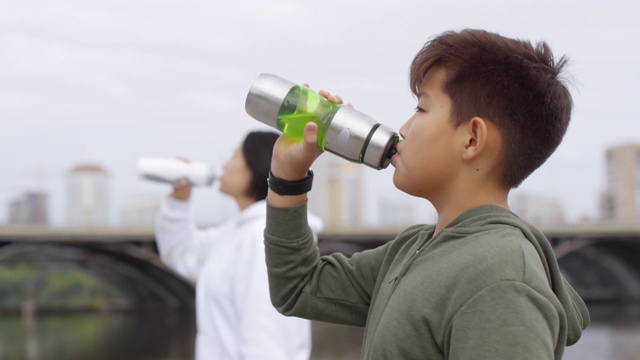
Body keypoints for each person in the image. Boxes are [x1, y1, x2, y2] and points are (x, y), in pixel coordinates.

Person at [262, 29, 590, 359]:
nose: (403, 129)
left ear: (472, 139)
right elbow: (299, 287)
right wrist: (287, 173)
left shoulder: (502, 278)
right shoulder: (415, 248)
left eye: (421, 109)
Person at [155, 130, 322, 360]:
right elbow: (183, 252)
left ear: (256, 167)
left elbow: (265, 341)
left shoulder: (263, 237)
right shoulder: (237, 233)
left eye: (234, 157)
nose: (225, 165)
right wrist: (178, 200)